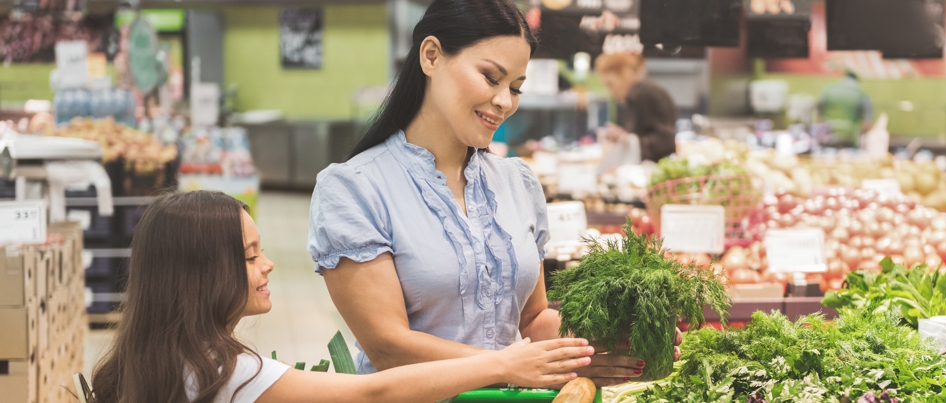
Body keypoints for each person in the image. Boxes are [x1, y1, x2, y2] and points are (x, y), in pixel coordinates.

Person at [308, 0, 679, 388]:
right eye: (490, 77)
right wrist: (509, 366)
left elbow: (532, 321)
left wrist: (609, 339)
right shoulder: (354, 188)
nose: (505, 101)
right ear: (431, 56)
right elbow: (388, 346)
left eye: (516, 87)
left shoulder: (517, 182)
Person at [90, 191, 595, 403]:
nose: (267, 265)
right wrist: (503, 365)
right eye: (248, 256)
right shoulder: (221, 369)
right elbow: (371, 392)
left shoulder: (152, 356)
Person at [595, 52, 678, 163]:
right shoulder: (634, 98)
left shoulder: (647, 94)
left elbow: (666, 142)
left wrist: (626, 139)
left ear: (625, 73)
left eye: (610, 84)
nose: (611, 92)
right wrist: (623, 137)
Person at [817, 71, 874, 148]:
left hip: (828, 136)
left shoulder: (828, 89)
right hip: (850, 139)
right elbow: (867, 124)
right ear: (857, 80)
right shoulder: (863, 95)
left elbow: (818, 109)